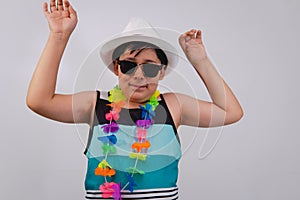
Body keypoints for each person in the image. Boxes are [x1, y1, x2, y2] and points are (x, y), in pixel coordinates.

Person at [26, 0, 243, 199]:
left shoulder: (174, 106)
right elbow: (39, 101)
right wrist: (58, 36)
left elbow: (231, 112)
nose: (138, 75)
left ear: (161, 72)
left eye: (149, 67)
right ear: (116, 68)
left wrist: (200, 60)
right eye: (129, 65)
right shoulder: (95, 104)